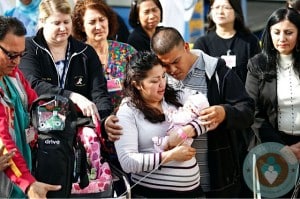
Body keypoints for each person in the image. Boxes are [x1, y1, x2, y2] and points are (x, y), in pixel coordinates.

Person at [150, 27, 254, 198]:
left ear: (186, 47)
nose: (172, 70)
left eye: (176, 61)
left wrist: (224, 113)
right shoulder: (158, 78)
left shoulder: (217, 71)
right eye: (165, 65)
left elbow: (247, 110)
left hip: (215, 179)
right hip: (170, 182)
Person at [114, 51, 205, 198]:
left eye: (163, 76)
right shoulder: (127, 112)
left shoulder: (174, 97)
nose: (162, 84)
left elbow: (207, 114)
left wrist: (185, 131)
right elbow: (128, 162)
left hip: (194, 192)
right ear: (137, 84)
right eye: (154, 81)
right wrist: (170, 155)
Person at [19, 0, 113, 122]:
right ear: (42, 22)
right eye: (57, 23)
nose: (63, 28)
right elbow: (33, 84)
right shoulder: (29, 46)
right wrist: (72, 97)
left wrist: (106, 120)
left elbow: (99, 93)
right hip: (38, 122)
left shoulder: (86, 52)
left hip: (79, 123)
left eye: (66, 22)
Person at [0, 16, 61, 198]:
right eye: (11, 55)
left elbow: (38, 104)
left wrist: (73, 119)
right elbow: (3, 139)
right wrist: (28, 184)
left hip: (19, 181)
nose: (17, 62)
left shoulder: (14, 76)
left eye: (21, 55)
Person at [245, 8, 300, 198]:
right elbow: (252, 111)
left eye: (289, 32)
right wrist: (282, 149)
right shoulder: (257, 64)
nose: (282, 38)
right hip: (271, 145)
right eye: (276, 32)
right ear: (269, 33)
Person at [72, 0, 136, 110]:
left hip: (128, 117)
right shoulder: (76, 57)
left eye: (102, 20)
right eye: (92, 22)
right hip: (94, 120)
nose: (98, 26)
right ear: (82, 26)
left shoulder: (126, 51)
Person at [193, 0, 261, 84]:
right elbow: (197, 78)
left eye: (226, 7)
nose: (220, 12)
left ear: (236, 11)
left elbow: (257, 77)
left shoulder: (250, 42)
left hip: (244, 96)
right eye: (216, 7)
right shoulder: (202, 43)